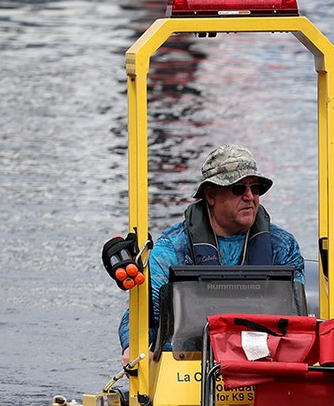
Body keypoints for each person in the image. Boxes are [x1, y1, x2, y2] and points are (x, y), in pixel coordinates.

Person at [118, 145, 305, 360]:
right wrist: (133, 348)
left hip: (263, 362)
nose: (249, 196)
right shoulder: (172, 248)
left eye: (255, 189)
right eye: (238, 188)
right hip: (189, 365)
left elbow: (296, 318)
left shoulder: (283, 245)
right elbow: (142, 315)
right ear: (211, 195)